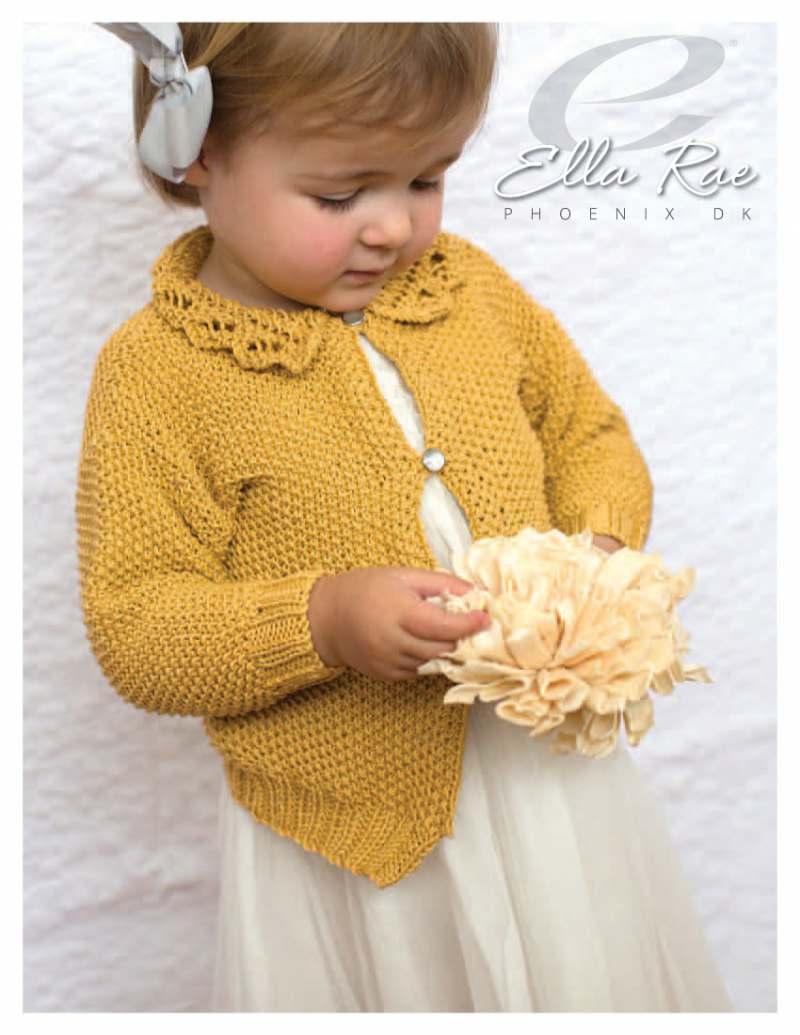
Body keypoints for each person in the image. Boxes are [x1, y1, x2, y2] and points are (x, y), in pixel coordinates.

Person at [76, 22, 734, 1013]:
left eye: (427, 178)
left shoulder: (469, 292)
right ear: (196, 152)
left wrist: (592, 551)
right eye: (340, 195)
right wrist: (321, 619)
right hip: (348, 836)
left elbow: (587, 432)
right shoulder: (159, 375)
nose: (392, 226)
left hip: (547, 779)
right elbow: (138, 625)